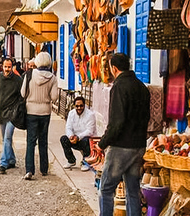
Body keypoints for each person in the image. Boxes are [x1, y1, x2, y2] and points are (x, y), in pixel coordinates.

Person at [97, 53, 150, 216]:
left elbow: (116, 122)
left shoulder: (119, 87)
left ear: (114, 68)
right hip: (139, 144)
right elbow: (147, 117)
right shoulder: (141, 86)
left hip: (121, 146)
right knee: (133, 190)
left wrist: (103, 143)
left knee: (106, 189)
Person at [21, 51, 58, 180]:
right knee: (43, 140)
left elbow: (22, 93)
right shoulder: (52, 78)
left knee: (30, 141)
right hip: (45, 112)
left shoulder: (29, 74)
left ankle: (29, 169)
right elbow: (54, 97)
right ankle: (44, 169)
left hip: (31, 111)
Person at [0, 57, 23, 174]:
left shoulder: (18, 80)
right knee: (5, 139)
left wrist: (18, 109)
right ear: (2, 66)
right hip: (0, 112)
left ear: (12, 67)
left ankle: (3, 163)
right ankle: (11, 160)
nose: (7, 69)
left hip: (12, 114)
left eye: (9, 67)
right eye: (5, 67)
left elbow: (22, 96)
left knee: (7, 137)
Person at [60, 96, 96, 170]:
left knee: (87, 139)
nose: (79, 108)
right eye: (77, 106)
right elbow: (68, 127)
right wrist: (71, 136)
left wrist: (78, 137)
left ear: (84, 105)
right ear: (74, 106)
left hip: (85, 140)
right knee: (63, 139)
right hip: (74, 139)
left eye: (81, 106)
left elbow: (90, 131)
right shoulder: (71, 113)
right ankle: (71, 160)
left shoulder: (90, 115)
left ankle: (85, 162)